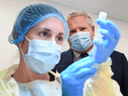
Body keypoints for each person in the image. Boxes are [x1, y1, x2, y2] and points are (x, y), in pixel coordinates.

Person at [0, 4, 98, 96]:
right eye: (44, 33)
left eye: (59, 38)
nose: (53, 44)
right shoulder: (4, 87)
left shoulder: (63, 87)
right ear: (20, 38)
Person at [51, 11, 128, 96]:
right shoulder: (56, 61)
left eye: (82, 29)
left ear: (93, 30)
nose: (78, 34)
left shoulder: (118, 58)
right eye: (72, 31)